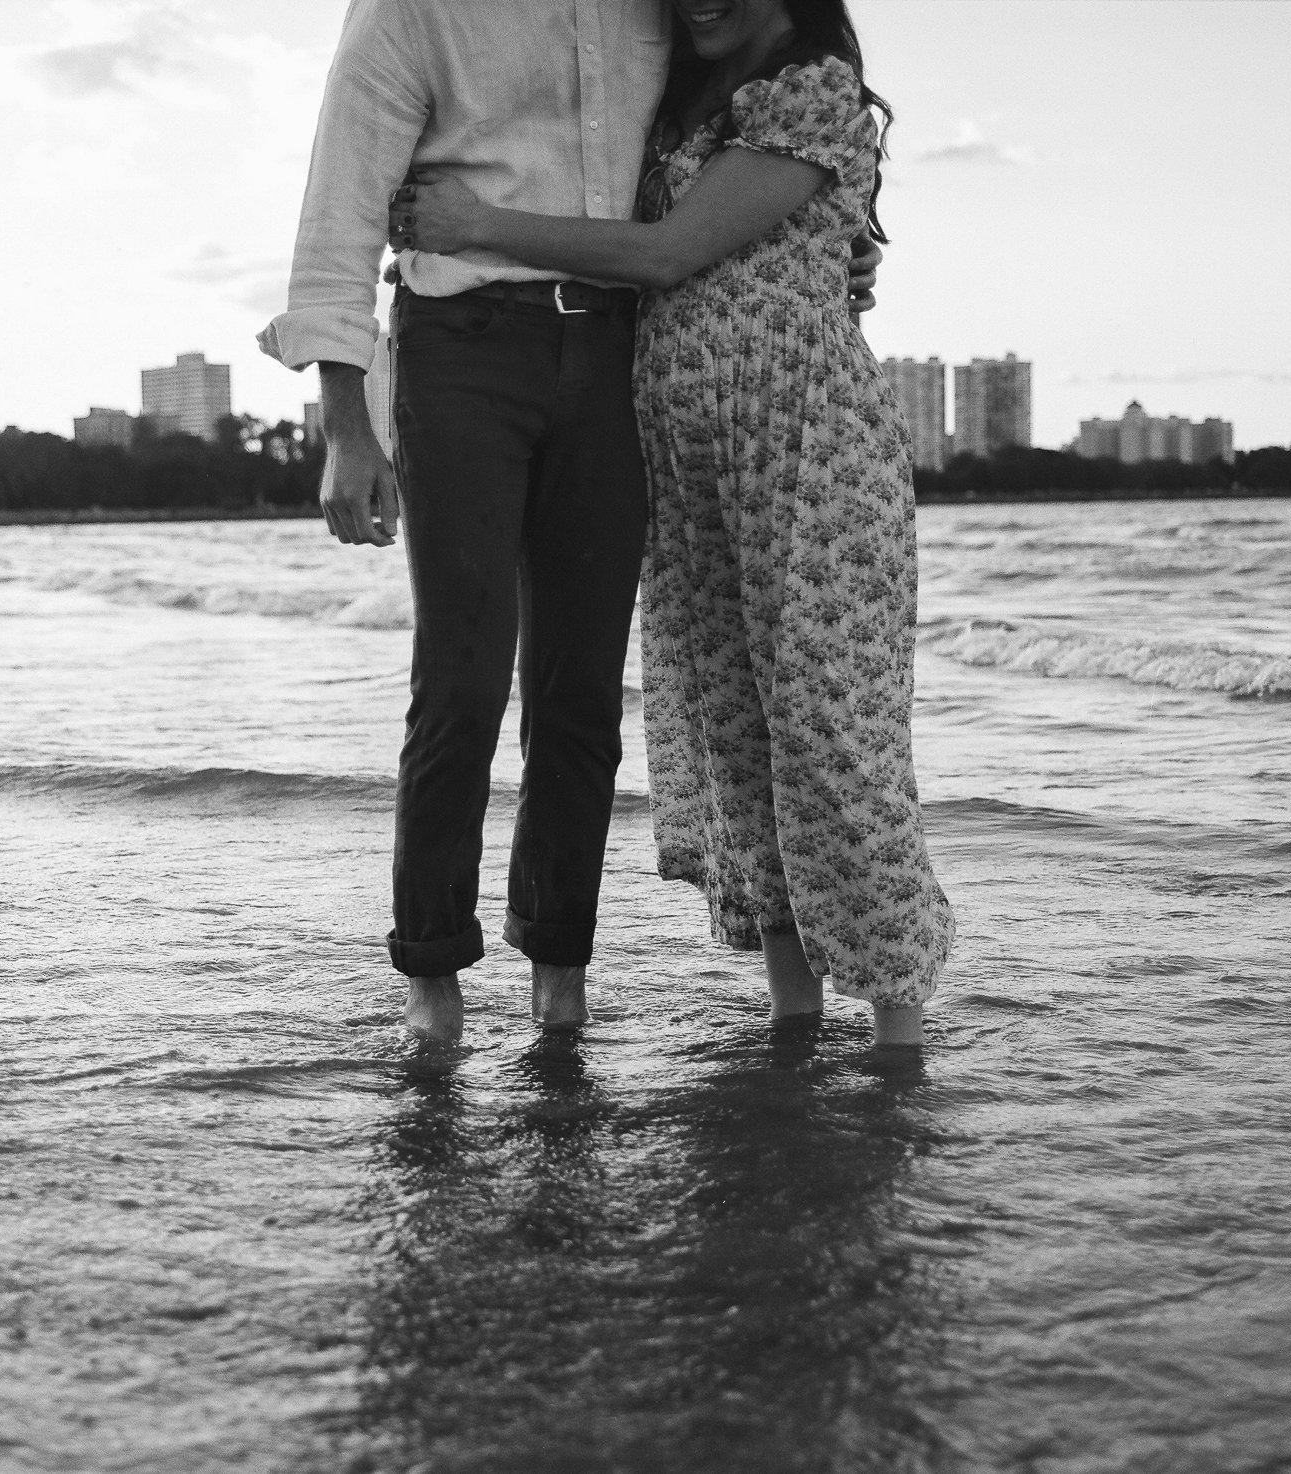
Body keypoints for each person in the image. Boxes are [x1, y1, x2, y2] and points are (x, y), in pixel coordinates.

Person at [260, 0, 878, 1044]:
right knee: (460, 674)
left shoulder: (662, 8)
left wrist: (841, 244)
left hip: (614, 352)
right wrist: (344, 428)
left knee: (581, 690)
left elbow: (735, 134)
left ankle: (560, 968)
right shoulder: (411, 8)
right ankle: (433, 977)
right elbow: (340, 209)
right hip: (463, 346)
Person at [394, 0, 954, 1047]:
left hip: (809, 458)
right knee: (741, 748)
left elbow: (663, 256)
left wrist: (473, 224)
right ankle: (793, 1021)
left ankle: (897, 1044)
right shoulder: (676, 110)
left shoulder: (810, 90)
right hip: (690, 473)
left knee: (835, 739)